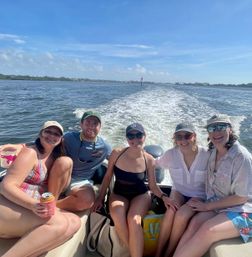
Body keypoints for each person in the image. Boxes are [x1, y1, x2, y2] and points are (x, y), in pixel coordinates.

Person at [173, 114, 252, 257]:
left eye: (221, 127)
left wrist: (206, 206)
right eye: (212, 128)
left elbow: (241, 198)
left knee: (208, 230)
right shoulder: (212, 152)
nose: (216, 132)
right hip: (219, 205)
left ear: (230, 130)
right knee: (194, 224)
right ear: (208, 133)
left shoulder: (242, 156)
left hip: (246, 212)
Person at [0, 121, 80, 257]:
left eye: (56, 134)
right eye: (48, 131)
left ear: (61, 139)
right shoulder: (31, 153)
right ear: (40, 134)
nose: (51, 136)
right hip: (8, 203)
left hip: (26, 206)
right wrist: (33, 205)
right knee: (58, 224)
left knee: (74, 222)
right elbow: (6, 186)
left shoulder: (54, 158)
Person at [92, 122, 171, 257]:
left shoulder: (149, 160)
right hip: (119, 194)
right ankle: (136, 251)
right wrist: (99, 198)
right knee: (117, 214)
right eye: (131, 136)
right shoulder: (117, 153)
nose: (135, 140)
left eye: (138, 135)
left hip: (140, 195)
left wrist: (165, 197)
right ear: (127, 138)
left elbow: (152, 186)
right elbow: (107, 176)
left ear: (144, 136)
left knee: (134, 220)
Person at [155, 122, 210, 257]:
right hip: (178, 191)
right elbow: (153, 164)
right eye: (179, 137)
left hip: (199, 195)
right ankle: (158, 253)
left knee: (181, 215)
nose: (183, 140)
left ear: (194, 136)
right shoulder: (171, 155)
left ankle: (169, 253)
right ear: (175, 139)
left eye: (187, 136)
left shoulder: (208, 155)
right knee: (170, 213)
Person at [51, 111, 112, 211]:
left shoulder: (104, 147)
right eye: (87, 123)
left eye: (95, 124)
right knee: (64, 161)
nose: (91, 127)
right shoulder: (68, 137)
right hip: (62, 176)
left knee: (87, 201)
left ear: (100, 126)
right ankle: (51, 199)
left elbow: (118, 159)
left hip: (81, 182)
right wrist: (22, 146)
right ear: (81, 124)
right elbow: (47, 141)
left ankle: (52, 205)